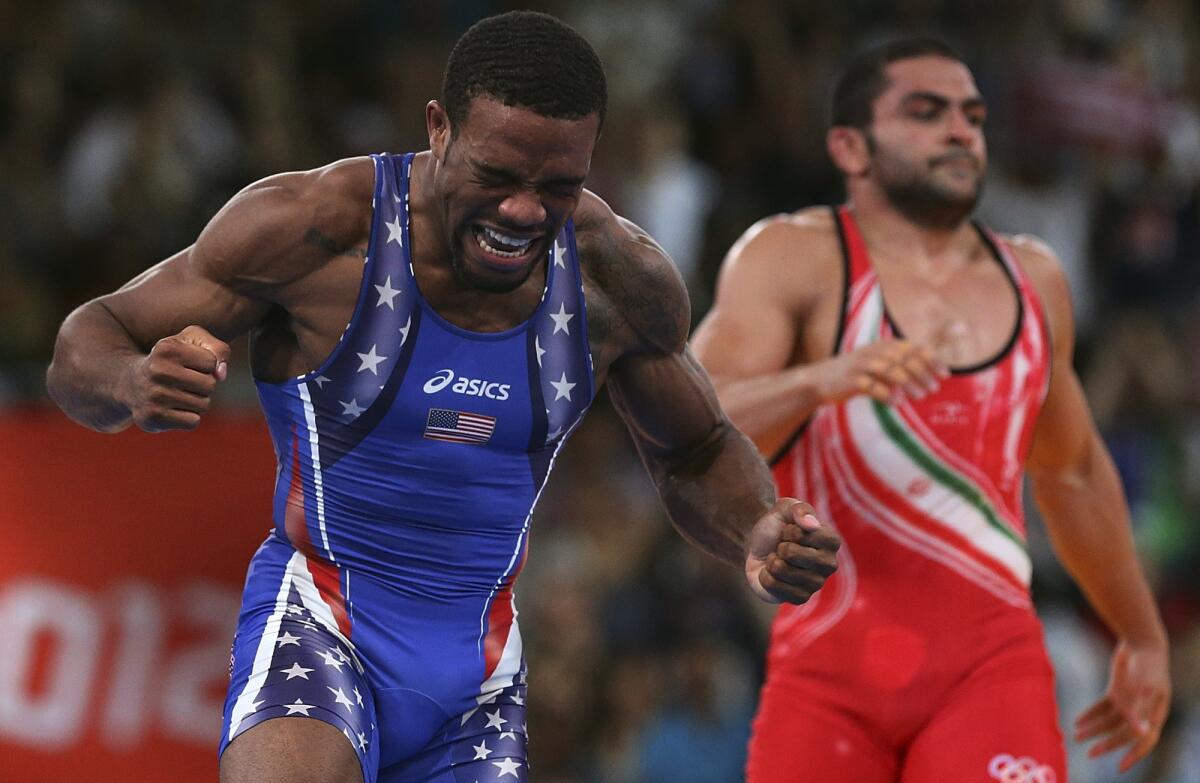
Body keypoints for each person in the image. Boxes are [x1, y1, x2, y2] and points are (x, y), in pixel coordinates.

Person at [44, 12, 840, 783]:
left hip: (478, 678)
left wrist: (755, 526)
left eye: (558, 185)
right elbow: (91, 336)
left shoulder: (614, 279)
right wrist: (131, 382)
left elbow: (696, 448)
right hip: (319, 621)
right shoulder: (317, 228)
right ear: (437, 128)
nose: (523, 211)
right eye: (495, 176)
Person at [692, 37, 1170, 783]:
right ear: (850, 146)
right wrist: (823, 379)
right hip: (827, 680)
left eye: (973, 116)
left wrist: (1140, 633)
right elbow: (692, 426)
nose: (960, 130)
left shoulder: (1034, 278)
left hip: (988, 671)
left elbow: (1071, 471)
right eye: (927, 111)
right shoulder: (792, 257)